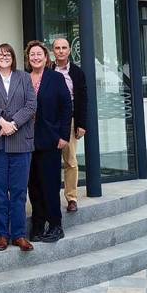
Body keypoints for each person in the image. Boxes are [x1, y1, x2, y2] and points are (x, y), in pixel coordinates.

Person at [0, 43, 37, 252]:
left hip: (20, 141)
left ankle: (19, 235)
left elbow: (31, 105)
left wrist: (13, 124)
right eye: (0, 54)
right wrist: (2, 122)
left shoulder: (24, 77)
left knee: (19, 191)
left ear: (13, 58)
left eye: (7, 54)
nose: (4, 57)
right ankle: (2, 234)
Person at [25, 40, 72, 243]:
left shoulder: (56, 78)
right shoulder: (23, 79)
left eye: (39, 54)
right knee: (33, 185)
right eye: (32, 55)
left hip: (51, 140)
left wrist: (63, 135)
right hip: (27, 141)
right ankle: (37, 224)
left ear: (46, 58)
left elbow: (66, 107)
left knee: (50, 185)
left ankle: (55, 225)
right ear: (28, 59)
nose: (35, 57)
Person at [52, 38, 88, 213]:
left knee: (70, 160)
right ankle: (51, 197)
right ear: (53, 51)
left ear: (69, 51)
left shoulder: (77, 72)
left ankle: (71, 198)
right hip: (50, 120)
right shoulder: (47, 69)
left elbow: (83, 99)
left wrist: (81, 123)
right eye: (57, 48)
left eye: (64, 48)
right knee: (50, 160)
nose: (60, 51)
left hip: (71, 120)